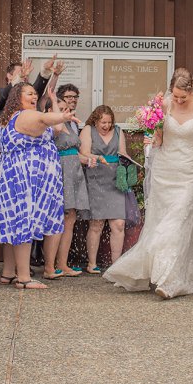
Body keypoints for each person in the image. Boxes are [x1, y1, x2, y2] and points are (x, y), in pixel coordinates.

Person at [103, 70, 193, 298]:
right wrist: (152, 137)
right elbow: (160, 139)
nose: (178, 101)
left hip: (189, 172)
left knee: (177, 222)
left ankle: (170, 281)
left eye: (182, 97)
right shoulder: (163, 105)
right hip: (165, 170)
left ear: (191, 91)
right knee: (162, 223)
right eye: (175, 96)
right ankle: (173, 270)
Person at [0, 81, 77, 290]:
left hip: (15, 175)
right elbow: (46, 118)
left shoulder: (13, 116)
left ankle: (9, 273)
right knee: (23, 224)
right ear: (17, 97)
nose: (34, 96)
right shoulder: (24, 115)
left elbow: (56, 128)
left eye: (35, 94)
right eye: (29, 93)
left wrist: (55, 102)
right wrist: (62, 116)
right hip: (23, 177)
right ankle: (23, 278)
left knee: (15, 223)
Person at [45, 83, 90, 278]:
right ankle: (50, 265)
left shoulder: (73, 123)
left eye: (66, 109)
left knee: (70, 218)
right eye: (61, 109)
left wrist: (89, 159)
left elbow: (75, 151)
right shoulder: (51, 125)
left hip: (75, 170)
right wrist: (54, 103)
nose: (66, 111)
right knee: (59, 218)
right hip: (60, 170)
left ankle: (63, 263)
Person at [80, 105, 130, 274]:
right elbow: (84, 153)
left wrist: (129, 163)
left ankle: (116, 264)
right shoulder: (88, 130)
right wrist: (97, 158)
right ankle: (92, 263)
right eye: (103, 122)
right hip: (96, 179)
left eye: (109, 122)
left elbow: (122, 152)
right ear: (95, 120)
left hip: (115, 180)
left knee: (119, 223)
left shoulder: (118, 131)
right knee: (96, 223)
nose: (106, 125)